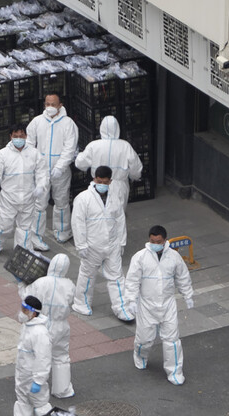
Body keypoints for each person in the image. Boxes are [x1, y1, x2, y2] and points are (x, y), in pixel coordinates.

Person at [123, 225, 194, 385]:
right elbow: (132, 280)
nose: (155, 243)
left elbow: (182, 276)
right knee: (144, 340)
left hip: (167, 304)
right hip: (147, 306)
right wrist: (131, 300)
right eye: (152, 241)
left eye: (159, 241)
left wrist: (187, 294)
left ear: (165, 241)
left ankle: (175, 372)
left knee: (172, 340)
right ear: (149, 239)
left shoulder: (174, 257)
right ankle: (140, 356)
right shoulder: (140, 257)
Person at [71, 166, 131, 320]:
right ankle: (81, 303)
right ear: (94, 179)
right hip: (92, 246)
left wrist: (121, 242)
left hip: (111, 245)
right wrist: (81, 245)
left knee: (117, 277)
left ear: (110, 181)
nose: (102, 184)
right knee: (87, 275)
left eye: (105, 182)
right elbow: (78, 223)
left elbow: (120, 220)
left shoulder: (114, 197)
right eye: (99, 181)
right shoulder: (83, 199)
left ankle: (122, 308)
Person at [0, 125, 49, 256]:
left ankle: (22, 251)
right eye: (15, 136)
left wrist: (41, 186)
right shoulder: (3, 154)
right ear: (10, 137)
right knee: (5, 225)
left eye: (21, 136)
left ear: (26, 136)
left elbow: (42, 171)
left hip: (28, 197)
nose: (18, 139)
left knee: (25, 228)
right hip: (9, 197)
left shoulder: (34, 153)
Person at [0, 296, 52, 416]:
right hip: (23, 376)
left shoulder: (40, 333)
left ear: (34, 313)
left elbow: (44, 358)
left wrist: (39, 380)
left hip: (32, 377)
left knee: (41, 406)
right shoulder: (27, 326)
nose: (21, 313)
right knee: (22, 405)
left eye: (25, 310)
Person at [26, 93, 79, 247]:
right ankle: (35, 235)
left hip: (60, 172)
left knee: (61, 201)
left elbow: (70, 148)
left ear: (60, 105)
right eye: (47, 104)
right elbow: (29, 143)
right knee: (39, 204)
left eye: (53, 104)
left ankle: (62, 231)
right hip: (41, 171)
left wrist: (60, 167)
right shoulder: (37, 122)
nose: (49, 107)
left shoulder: (68, 124)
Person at [20, 253, 75, 397]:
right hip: (61, 325)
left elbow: (27, 298)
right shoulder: (70, 285)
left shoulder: (40, 282)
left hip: (42, 323)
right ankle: (63, 390)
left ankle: (32, 384)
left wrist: (21, 284)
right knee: (61, 356)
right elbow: (71, 302)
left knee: (37, 355)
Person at [74, 116, 143, 214]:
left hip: (99, 184)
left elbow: (80, 163)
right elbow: (136, 167)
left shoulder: (94, 146)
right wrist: (134, 177)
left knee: (98, 215)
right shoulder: (125, 146)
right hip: (119, 185)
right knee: (118, 217)